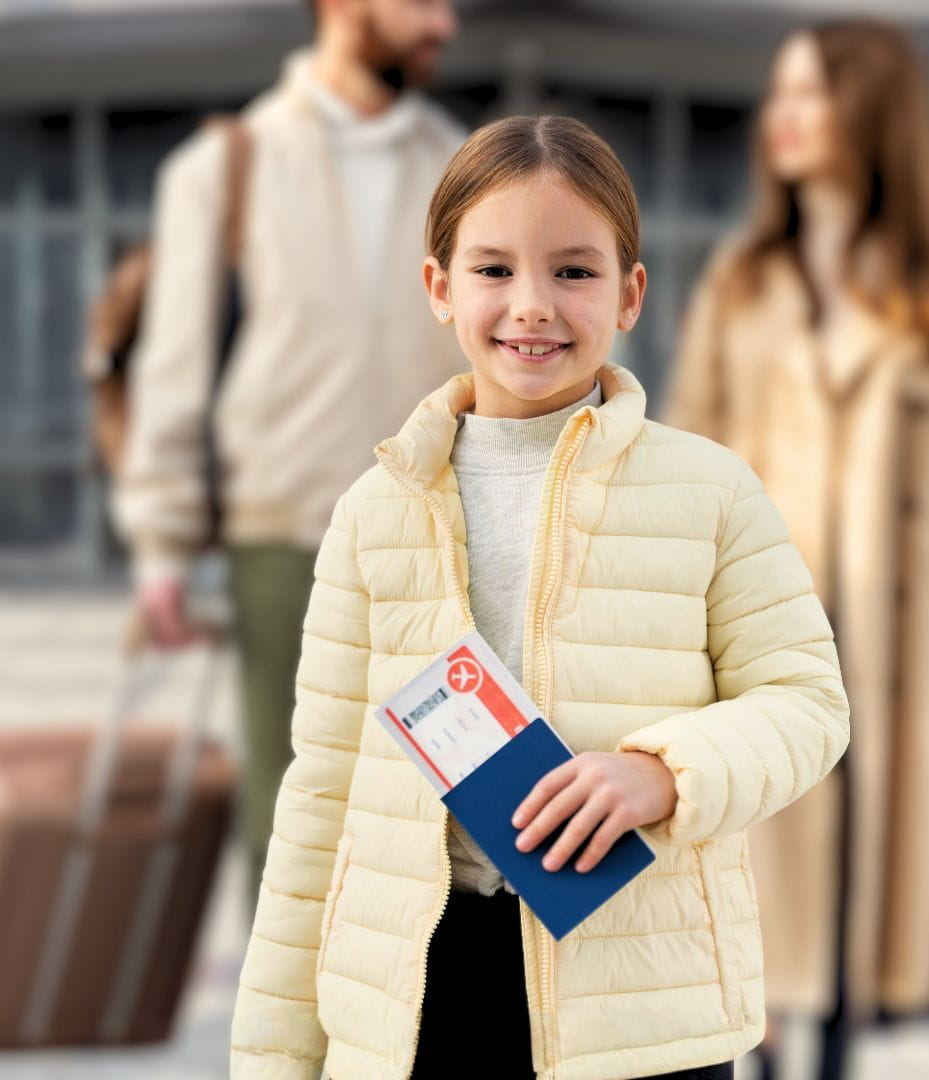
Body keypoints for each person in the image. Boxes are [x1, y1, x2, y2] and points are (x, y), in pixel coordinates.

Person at [228, 114, 850, 1080]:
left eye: (573, 271)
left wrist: (663, 773)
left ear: (630, 294)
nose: (532, 306)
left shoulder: (713, 492)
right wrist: (275, 1061)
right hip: (416, 1002)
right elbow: (319, 798)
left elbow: (809, 703)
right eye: (492, 269)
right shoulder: (373, 513)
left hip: (640, 1006)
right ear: (439, 287)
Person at [664, 19, 929, 1080]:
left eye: (810, 95)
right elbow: (691, 451)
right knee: (755, 868)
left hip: (899, 631)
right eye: (778, 94)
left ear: (869, 112)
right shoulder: (742, 279)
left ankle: (835, 1053)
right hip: (764, 617)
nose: (781, 118)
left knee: (866, 884)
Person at [110, 0, 466, 912]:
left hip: (437, 538)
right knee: (292, 818)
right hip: (283, 534)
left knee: (443, 818)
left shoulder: (463, 165)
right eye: (423, 3)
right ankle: (288, 1007)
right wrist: (161, 545)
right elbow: (174, 364)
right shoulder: (225, 166)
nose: (445, 25)